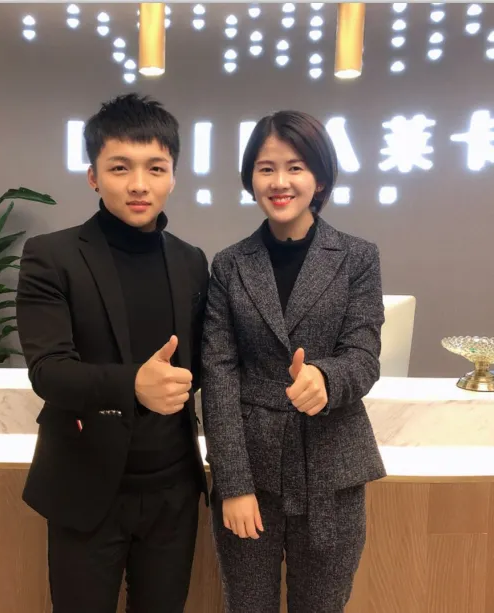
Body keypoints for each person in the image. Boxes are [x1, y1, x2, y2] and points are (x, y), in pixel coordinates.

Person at [16, 93, 209, 613]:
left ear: (173, 177)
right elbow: (48, 371)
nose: (139, 184)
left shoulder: (192, 262)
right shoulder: (51, 256)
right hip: (86, 486)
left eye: (155, 168)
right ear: (93, 177)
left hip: (173, 490)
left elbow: (207, 365)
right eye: (120, 167)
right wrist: (132, 384)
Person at [201, 110, 386, 613]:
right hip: (251, 470)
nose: (280, 182)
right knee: (247, 605)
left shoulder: (357, 257)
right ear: (251, 179)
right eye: (266, 168)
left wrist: (326, 377)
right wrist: (233, 484)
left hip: (332, 465)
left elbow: (363, 355)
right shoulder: (230, 264)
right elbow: (219, 375)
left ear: (319, 178)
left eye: (295, 167)